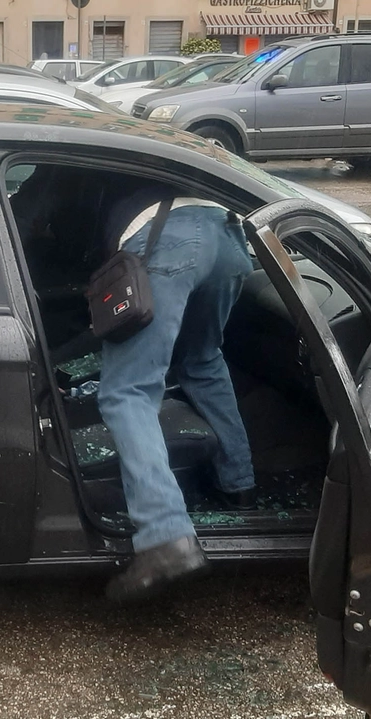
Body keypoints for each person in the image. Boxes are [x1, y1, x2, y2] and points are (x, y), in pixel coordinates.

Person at [98, 180, 257, 602]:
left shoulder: (69, 174)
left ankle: (165, 536)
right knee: (203, 359)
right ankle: (238, 483)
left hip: (169, 236)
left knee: (126, 391)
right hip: (227, 235)